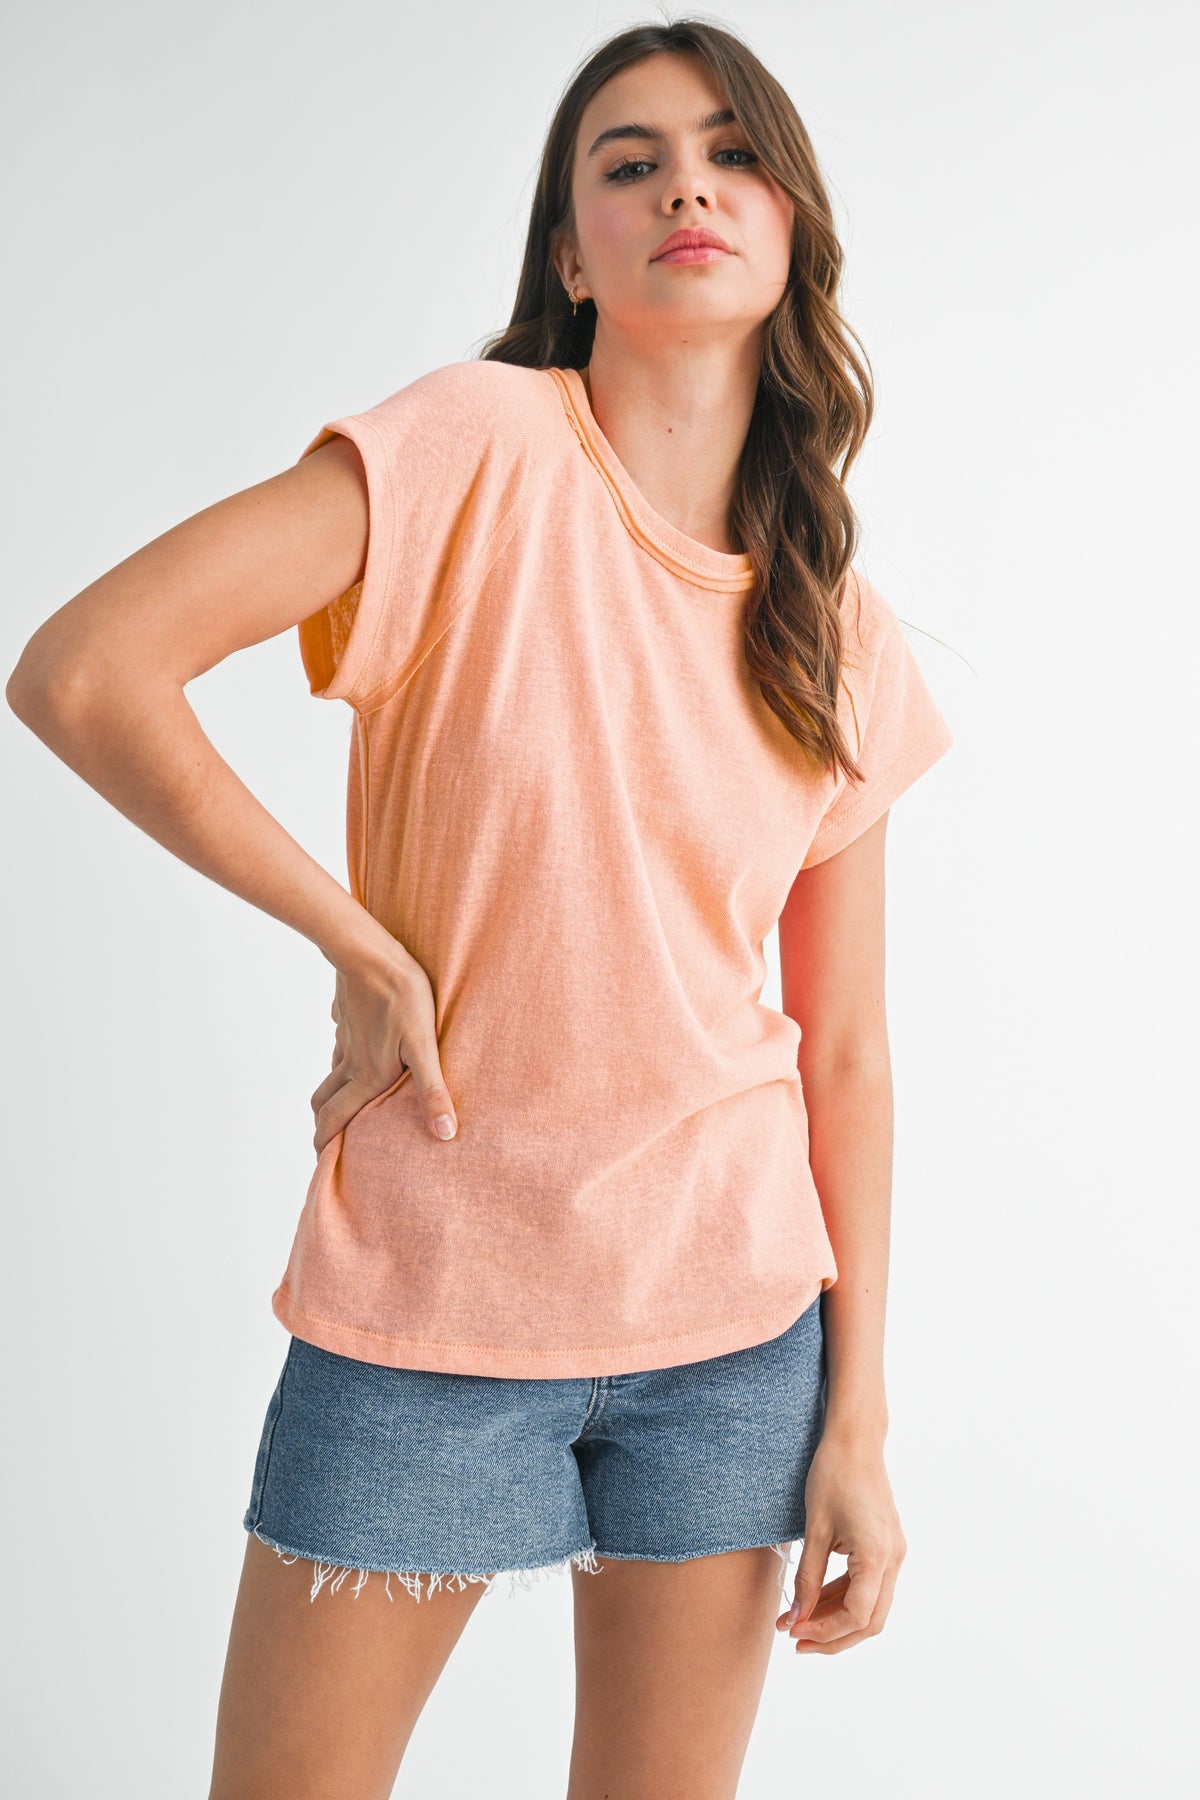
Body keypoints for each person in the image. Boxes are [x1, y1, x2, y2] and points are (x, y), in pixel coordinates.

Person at [6, 18, 956, 1800]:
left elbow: (844, 1051)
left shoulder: (835, 621)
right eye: (629, 162)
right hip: (429, 1306)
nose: (686, 186)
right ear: (569, 254)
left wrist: (860, 1417)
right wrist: (352, 937)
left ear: (792, 228)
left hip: (734, 1335)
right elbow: (84, 670)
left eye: (734, 155)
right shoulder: (472, 448)